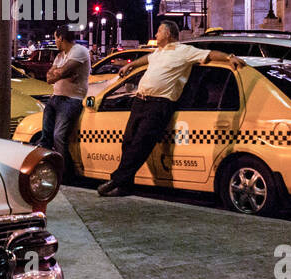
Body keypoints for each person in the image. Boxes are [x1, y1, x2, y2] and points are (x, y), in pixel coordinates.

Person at [98, 20, 243, 197]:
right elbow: (147, 58)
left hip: (159, 104)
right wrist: (131, 65)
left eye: (159, 31)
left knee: (141, 143)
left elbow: (210, 54)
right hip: (140, 101)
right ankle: (125, 186)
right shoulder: (159, 52)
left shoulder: (184, 51)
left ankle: (117, 179)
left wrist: (229, 58)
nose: (156, 35)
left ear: (168, 34)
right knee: (128, 141)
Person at [41, 27, 91, 173]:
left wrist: (61, 72)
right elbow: (49, 78)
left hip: (71, 100)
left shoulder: (79, 51)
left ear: (61, 38)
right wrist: (64, 74)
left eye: (55, 38)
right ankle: (46, 169)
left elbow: (60, 72)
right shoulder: (60, 56)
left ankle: (65, 172)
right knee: (46, 136)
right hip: (55, 98)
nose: (55, 41)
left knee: (59, 135)